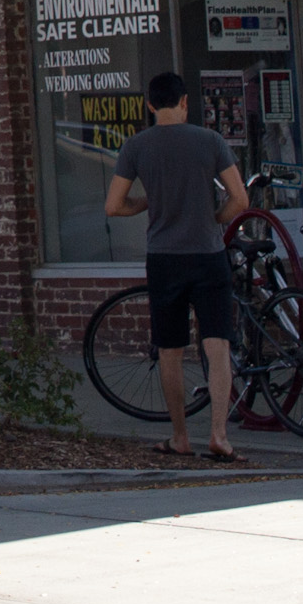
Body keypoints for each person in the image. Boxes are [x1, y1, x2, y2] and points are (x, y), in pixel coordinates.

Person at [107, 68, 254, 460]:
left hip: (164, 258)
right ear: (186, 102)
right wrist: (215, 218)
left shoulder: (136, 147)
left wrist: (145, 203)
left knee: (170, 350)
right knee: (218, 346)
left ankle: (180, 436)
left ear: (150, 105)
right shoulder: (210, 141)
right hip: (208, 255)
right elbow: (240, 199)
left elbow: (113, 205)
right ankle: (220, 435)